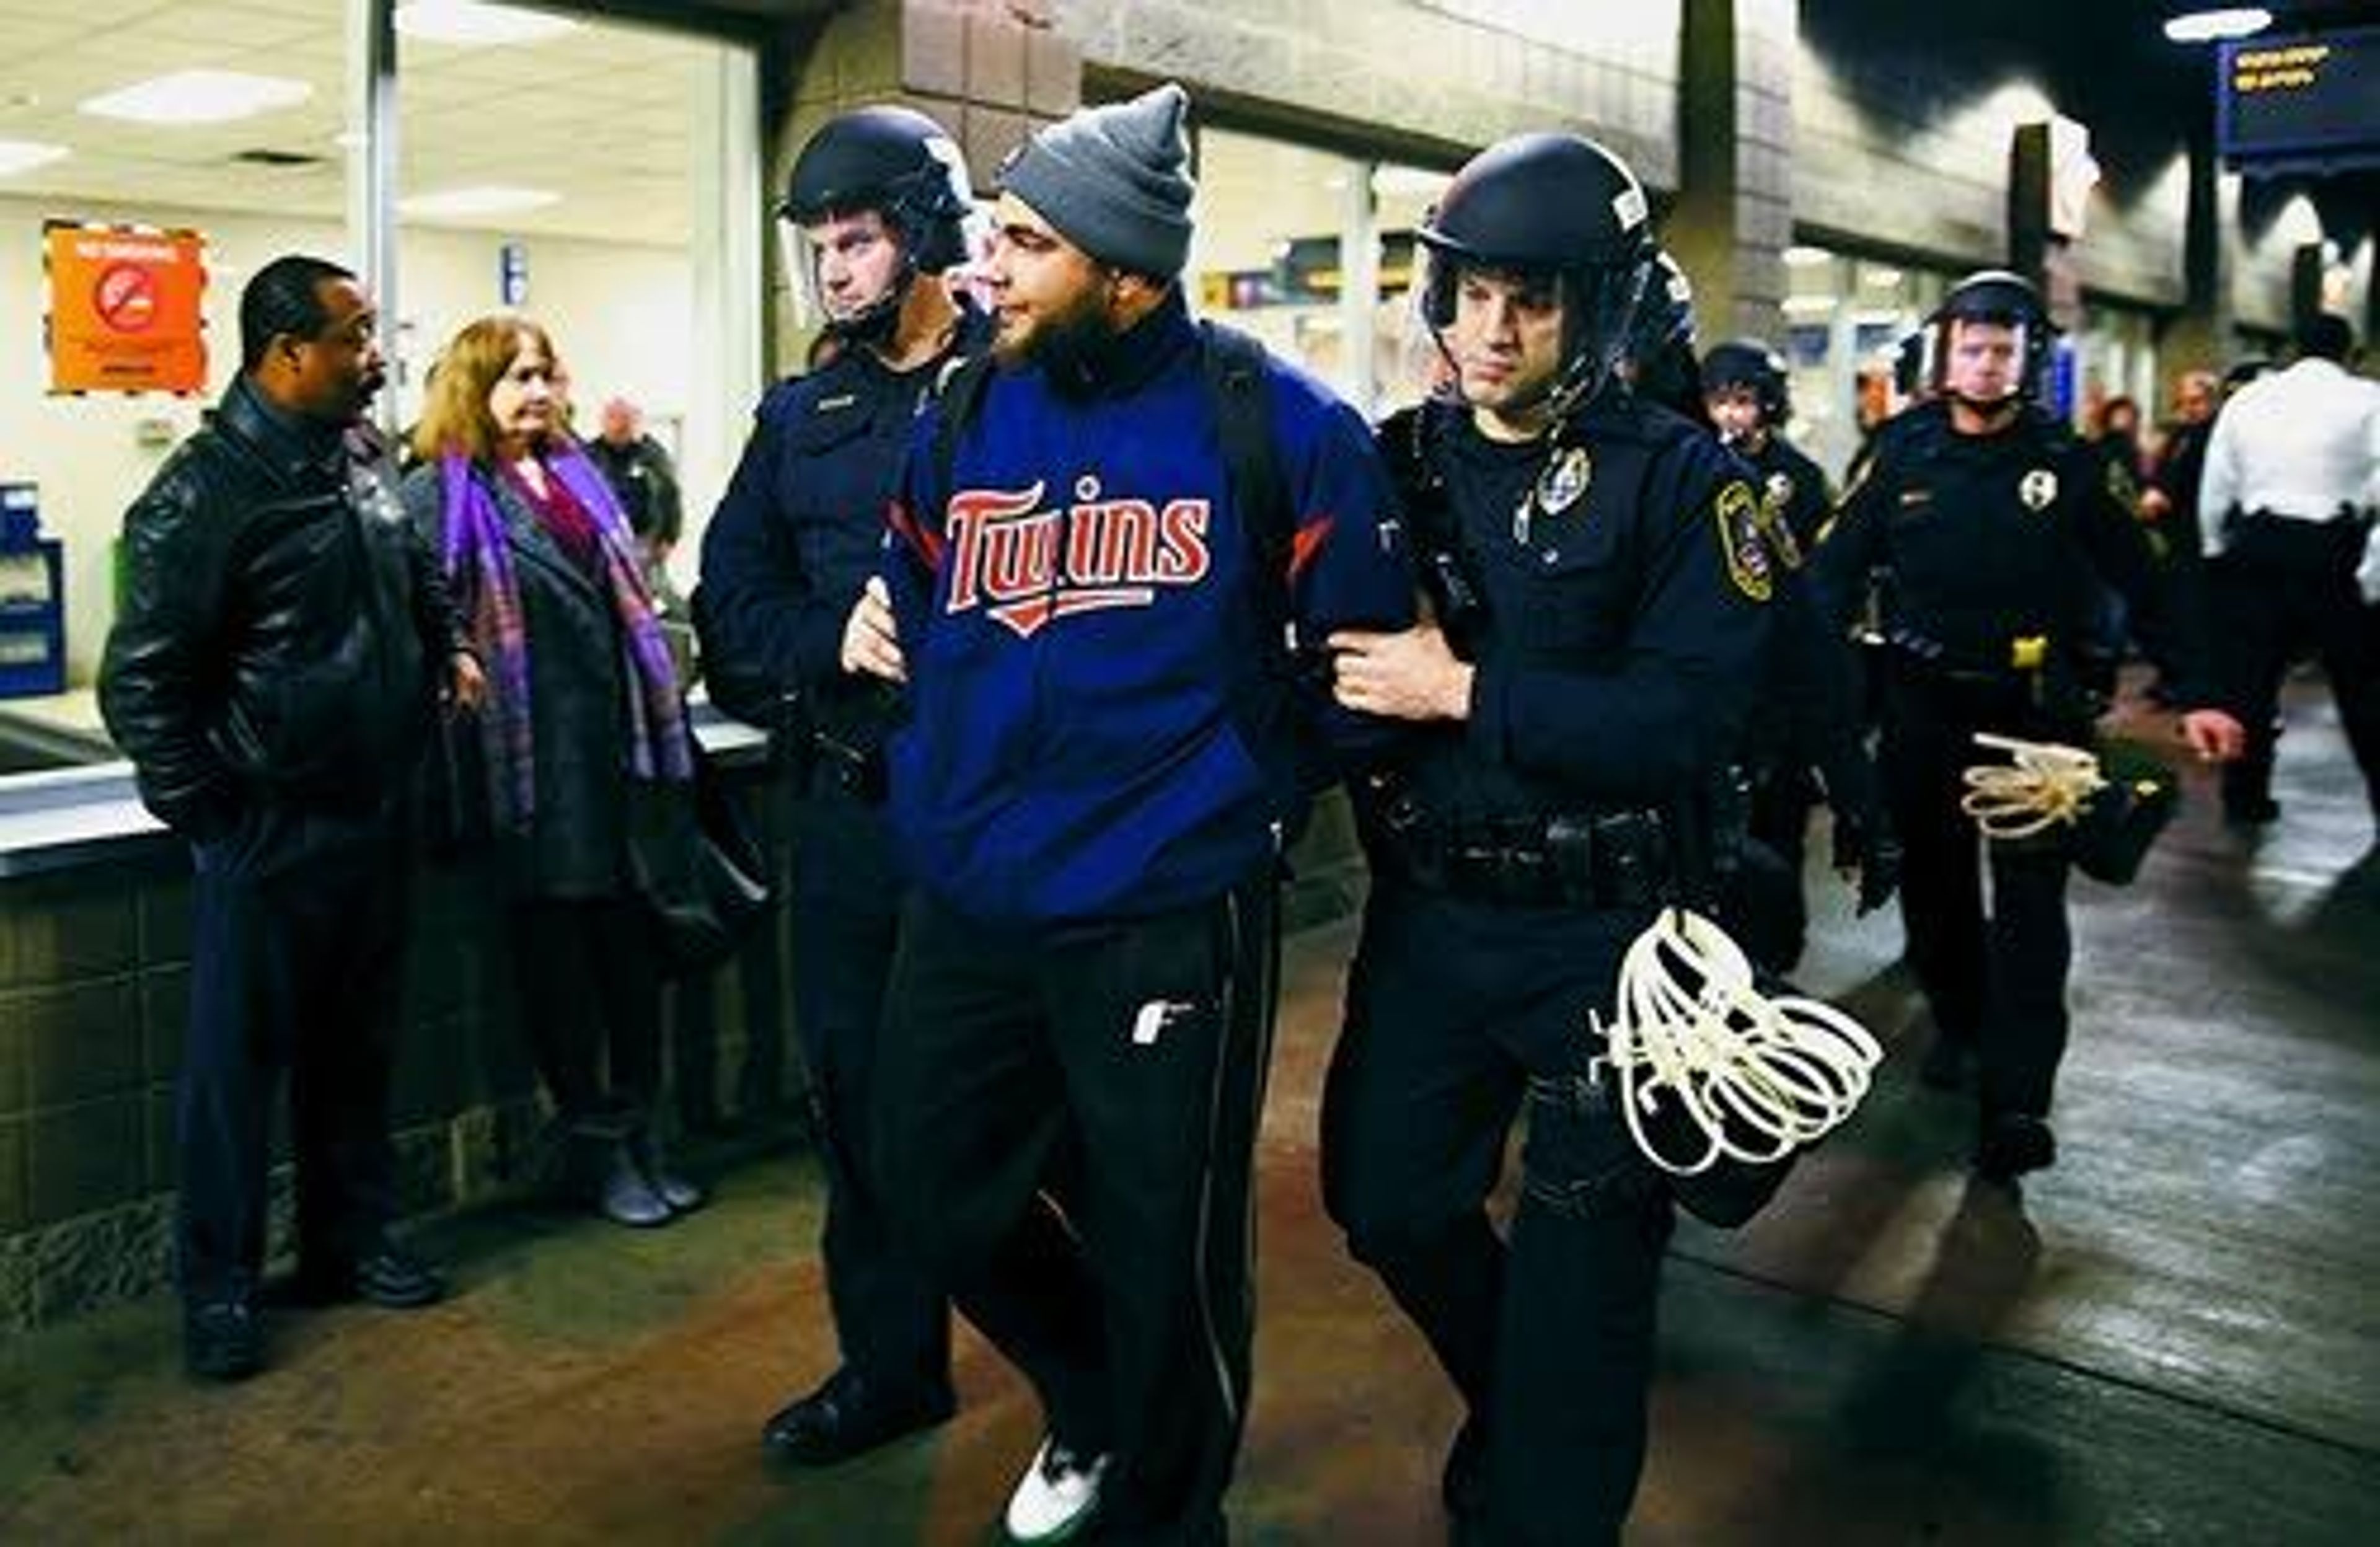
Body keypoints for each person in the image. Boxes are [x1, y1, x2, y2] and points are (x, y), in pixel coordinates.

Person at [842, 82, 1415, 1545]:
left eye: (1027, 245)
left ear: (1126, 267)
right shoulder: (964, 407)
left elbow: (1356, 664)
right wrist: (919, 739)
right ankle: (1092, 1399)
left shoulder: (1271, 422)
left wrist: (1246, 794)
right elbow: (910, 596)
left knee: (1164, 1240)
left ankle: (1167, 1510)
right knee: (922, 1184)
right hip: (969, 898)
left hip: (1162, 906)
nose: (989, 270)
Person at [1322, 133, 1774, 1546]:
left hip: (1611, 938)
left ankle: (1541, 1492)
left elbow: (1691, 719)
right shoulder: (1392, 467)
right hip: (1431, 927)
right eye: (1466, 295)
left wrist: (1464, 689)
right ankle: (1520, 1413)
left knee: (1586, 1293)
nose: (1489, 331)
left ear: (1598, 307)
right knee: (1384, 1202)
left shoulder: (1681, 482)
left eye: (1530, 298)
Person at [99, 254, 481, 1381]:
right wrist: (221, 818)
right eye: (357, 338)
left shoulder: (358, 461)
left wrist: (449, 644)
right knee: (235, 1077)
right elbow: (143, 690)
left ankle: (348, 1242)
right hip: (272, 837)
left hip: (375, 817)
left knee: (354, 1057)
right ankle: (215, 1290)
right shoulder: (201, 495)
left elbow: (419, 573)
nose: (377, 359)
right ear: (285, 354)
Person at [695, 102, 987, 1469]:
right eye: (819, 248)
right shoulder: (803, 413)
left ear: (923, 236)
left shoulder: (1021, 384)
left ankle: (1109, 1394)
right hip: (853, 815)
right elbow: (727, 604)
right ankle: (891, 1369)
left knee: (1018, 1118)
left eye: (858, 241)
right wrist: (830, 643)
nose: (836, 273)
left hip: (1003, 818)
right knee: (858, 1106)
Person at [1809, 270, 2243, 1176]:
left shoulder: (2074, 465)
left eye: (2004, 349)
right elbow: (1828, 578)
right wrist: (1778, 680)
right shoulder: (1897, 454)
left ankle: (2018, 1101)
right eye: (1972, 346)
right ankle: (1960, 1026)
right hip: (1922, 705)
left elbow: (2151, 582)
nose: (1987, 364)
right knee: (1934, 893)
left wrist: (2202, 686)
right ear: (1944, 354)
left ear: (2029, 360)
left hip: (2034, 720)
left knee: (2034, 914)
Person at [403, 314, 706, 1230]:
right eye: (515, 377)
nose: (537, 393)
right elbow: (433, 636)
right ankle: (595, 1142)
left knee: (630, 965)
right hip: (530, 781)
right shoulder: (441, 497)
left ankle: (642, 1131)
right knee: (561, 976)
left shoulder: (584, 478)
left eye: (546, 374)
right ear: (473, 387)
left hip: (617, 769)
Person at [1699, 337, 1895, 970]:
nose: (1731, 414)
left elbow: (1821, 591)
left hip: (1779, 687)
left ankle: (1772, 968)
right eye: (1720, 400)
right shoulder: (1690, 466)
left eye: (1744, 401)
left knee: (1775, 836)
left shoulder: (1802, 480)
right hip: (1713, 684)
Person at [2195, 312, 2380, 831]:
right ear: (2351, 353)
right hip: (2333, 551)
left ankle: (2245, 799)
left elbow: (2218, 484)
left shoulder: (2250, 399)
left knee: (2248, 687)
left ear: (2294, 349)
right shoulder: (2370, 400)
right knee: (2365, 691)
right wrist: (2373, 575)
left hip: (2258, 547)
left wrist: (2216, 550)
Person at [587, 395, 684, 565]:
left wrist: (670, 538)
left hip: (645, 542)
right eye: (613, 417)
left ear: (636, 422)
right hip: (603, 543)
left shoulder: (654, 455)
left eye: (626, 418)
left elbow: (671, 496)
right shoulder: (589, 455)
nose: (619, 424)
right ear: (603, 422)